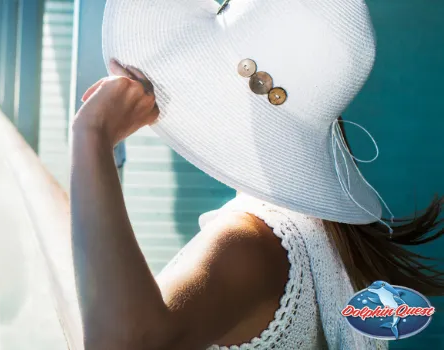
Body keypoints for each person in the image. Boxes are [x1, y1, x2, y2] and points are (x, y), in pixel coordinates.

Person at [69, 1, 444, 349]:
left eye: (206, 64)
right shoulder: (311, 234)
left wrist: (92, 135)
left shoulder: (246, 245)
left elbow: (124, 343)